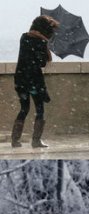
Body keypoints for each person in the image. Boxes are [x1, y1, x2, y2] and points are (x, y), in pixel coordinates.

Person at [11, 15, 59, 148]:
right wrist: (45, 49)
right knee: (40, 109)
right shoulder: (41, 43)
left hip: (20, 79)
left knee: (24, 108)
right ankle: (36, 140)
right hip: (33, 81)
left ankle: (15, 140)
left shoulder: (24, 37)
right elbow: (41, 63)